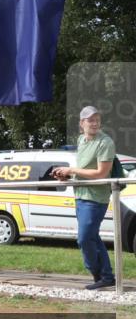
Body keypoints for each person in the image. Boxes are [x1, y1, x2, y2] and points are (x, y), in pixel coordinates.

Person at [52, 106, 117, 290]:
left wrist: (71, 170)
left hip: (96, 197)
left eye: (97, 119)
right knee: (92, 237)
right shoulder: (81, 140)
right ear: (82, 123)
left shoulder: (105, 142)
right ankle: (105, 277)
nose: (95, 123)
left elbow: (101, 173)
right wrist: (66, 176)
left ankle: (98, 274)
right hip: (80, 194)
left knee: (84, 238)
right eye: (90, 120)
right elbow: (84, 171)